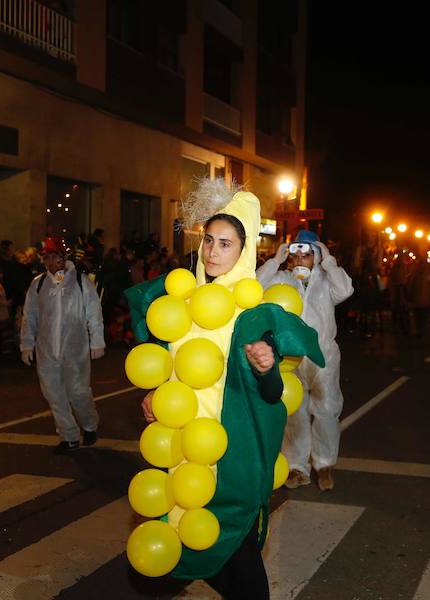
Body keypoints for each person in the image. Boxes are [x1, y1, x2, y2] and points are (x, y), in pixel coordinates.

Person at [129, 180, 323, 596]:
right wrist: (155, 395)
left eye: (226, 244)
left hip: (231, 456)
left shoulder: (251, 314)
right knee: (188, 545)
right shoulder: (181, 302)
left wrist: (268, 366)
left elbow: (272, 396)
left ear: (244, 251)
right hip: (183, 454)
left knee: (236, 554)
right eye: (209, 241)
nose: (214, 252)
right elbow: (171, 366)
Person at [257, 229, 354, 491]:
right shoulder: (282, 279)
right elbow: (255, 287)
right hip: (291, 355)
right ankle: (297, 466)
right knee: (295, 411)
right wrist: (274, 260)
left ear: (316, 256)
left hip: (323, 355)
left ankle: (324, 464)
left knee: (326, 409)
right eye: (297, 255)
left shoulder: (326, 280)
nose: (301, 260)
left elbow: (345, 290)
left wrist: (328, 260)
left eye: (308, 254)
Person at [20, 246, 105, 452]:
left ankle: (89, 424)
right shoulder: (38, 284)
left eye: (55, 257)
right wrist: (27, 344)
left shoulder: (80, 282)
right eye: (47, 258)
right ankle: (69, 436)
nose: (51, 262)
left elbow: (93, 312)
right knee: (53, 393)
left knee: (78, 391)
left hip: (74, 349)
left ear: (63, 258)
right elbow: (29, 315)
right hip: (46, 349)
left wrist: (97, 341)